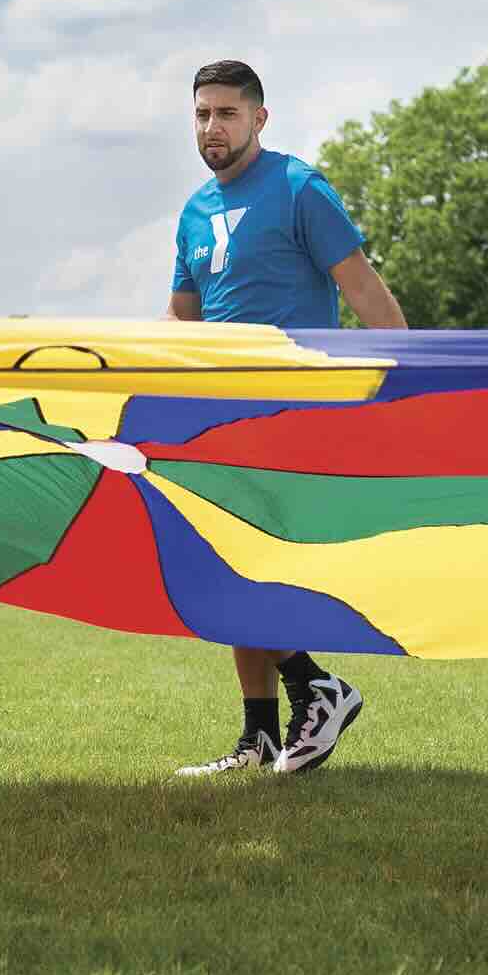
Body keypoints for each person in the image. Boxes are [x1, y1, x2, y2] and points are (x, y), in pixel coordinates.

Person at [166, 60, 407, 778]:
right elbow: (180, 321)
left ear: (259, 119)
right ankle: (260, 737)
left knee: (236, 564)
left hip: (294, 415)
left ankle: (317, 687)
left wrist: (406, 383)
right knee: (218, 557)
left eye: (227, 114)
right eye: (203, 114)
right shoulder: (193, 213)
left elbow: (363, 289)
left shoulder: (299, 189)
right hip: (218, 418)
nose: (213, 127)